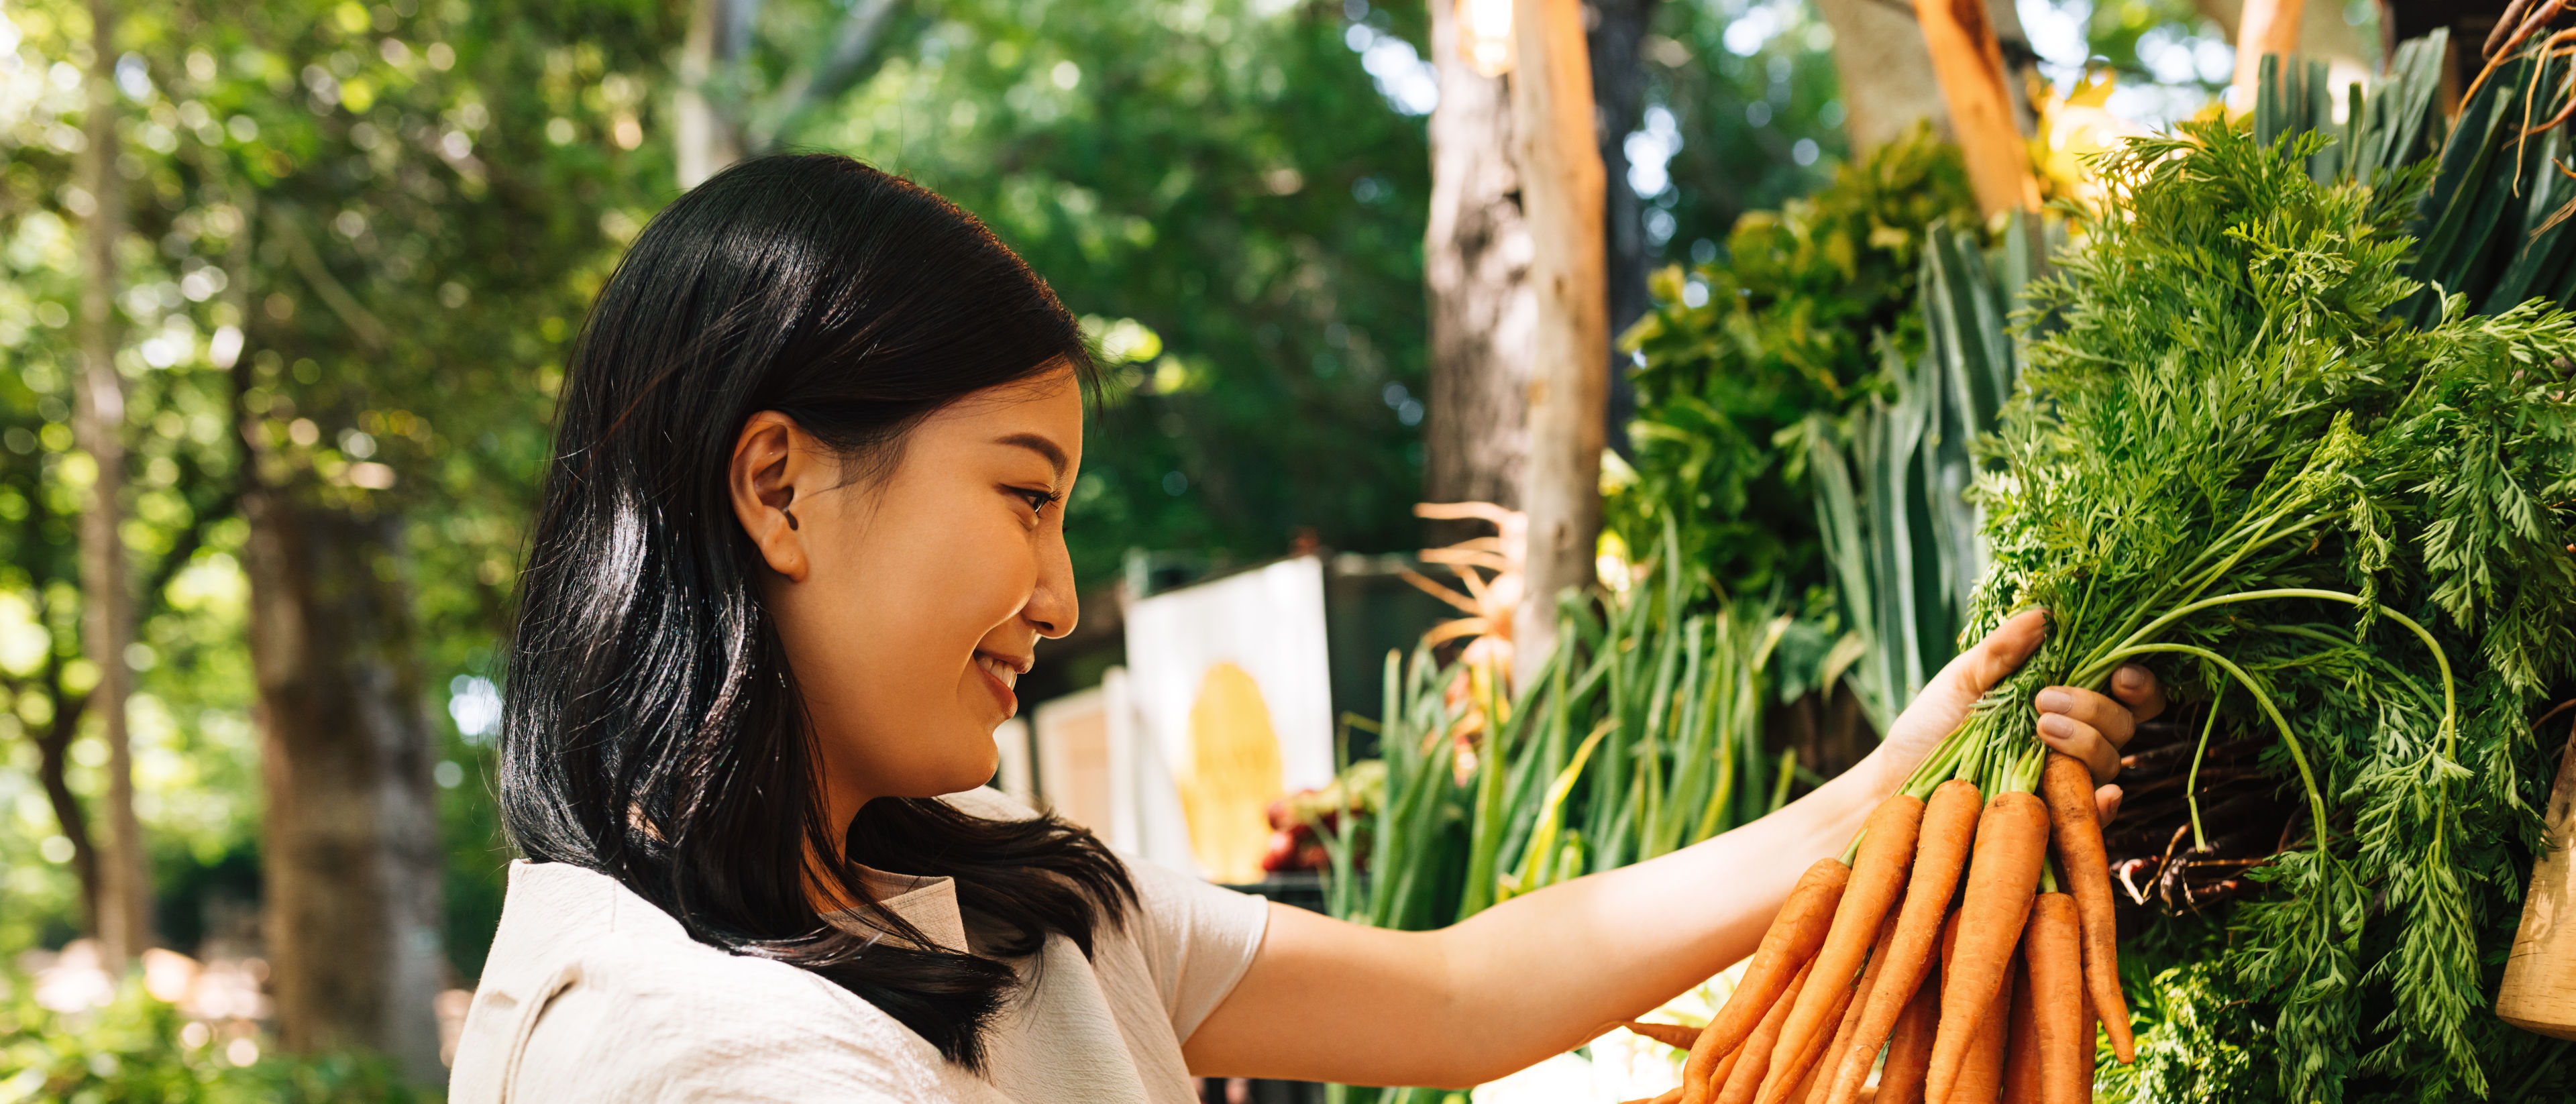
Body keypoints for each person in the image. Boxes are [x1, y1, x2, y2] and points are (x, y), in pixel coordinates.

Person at [446, 154, 2162, 1103]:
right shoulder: (694, 1059)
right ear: (780, 487)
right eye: (1026, 496)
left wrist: (1887, 786)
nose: (1056, 597)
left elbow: (1466, 991)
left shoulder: (989, 889)